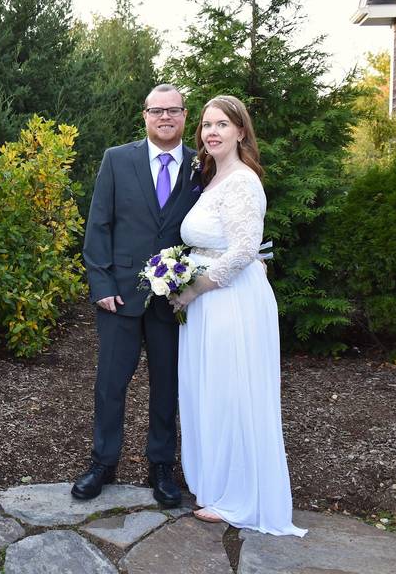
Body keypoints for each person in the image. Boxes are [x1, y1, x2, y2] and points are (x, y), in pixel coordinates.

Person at [169, 95, 306, 536]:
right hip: (212, 300)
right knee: (210, 390)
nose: (212, 132)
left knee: (232, 392)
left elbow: (245, 249)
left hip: (229, 301)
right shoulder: (213, 177)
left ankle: (240, 497)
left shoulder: (243, 181)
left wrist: (192, 290)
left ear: (241, 131)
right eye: (207, 124)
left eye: (222, 125)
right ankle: (218, 482)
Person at [74, 83, 202, 506]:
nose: (165, 117)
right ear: (144, 116)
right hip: (120, 298)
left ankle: (161, 466)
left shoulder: (202, 166)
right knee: (110, 384)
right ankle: (102, 462)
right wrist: (102, 286)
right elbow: (99, 227)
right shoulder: (117, 160)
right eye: (157, 111)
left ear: (186, 116)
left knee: (167, 385)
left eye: (174, 110)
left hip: (175, 300)